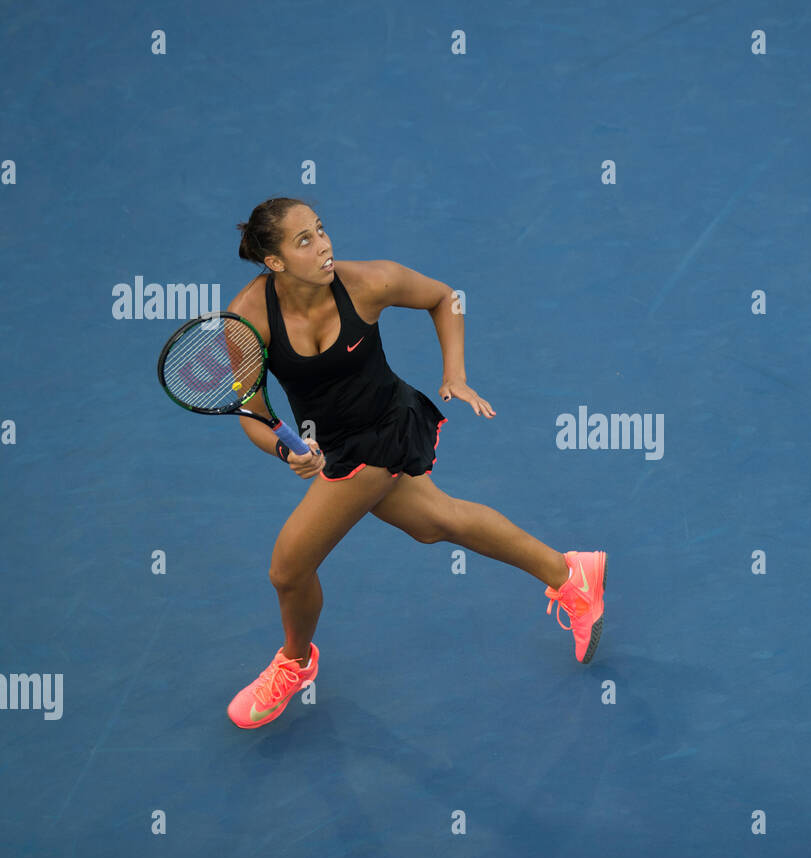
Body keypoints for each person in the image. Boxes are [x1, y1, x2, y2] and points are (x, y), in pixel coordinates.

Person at [224, 197, 605, 729]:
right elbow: (253, 409)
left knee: (288, 567)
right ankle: (571, 574)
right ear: (275, 263)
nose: (325, 244)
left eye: (321, 229)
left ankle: (294, 662)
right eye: (304, 240)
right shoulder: (247, 321)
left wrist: (455, 374)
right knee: (436, 522)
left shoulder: (367, 283)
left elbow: (443, 298)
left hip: (384, 433)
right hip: (334, 442)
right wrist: (285, 447)